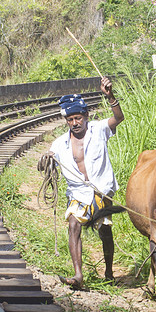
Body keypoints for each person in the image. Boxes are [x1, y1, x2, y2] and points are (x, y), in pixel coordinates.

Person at [37, 76, 124, 289]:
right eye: (70, 120)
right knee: (74, 225)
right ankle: (78, 275)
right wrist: (46, 159)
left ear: (86, 116)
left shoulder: (99, 129)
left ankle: (109, 272)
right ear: (66, 121)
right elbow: (42, 168)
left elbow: (119, 118)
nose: (75, 123)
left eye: (78, 118)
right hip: (77, 194)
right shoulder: (60, 143)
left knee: (104, 230)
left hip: (101, 191)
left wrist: (110, 96)